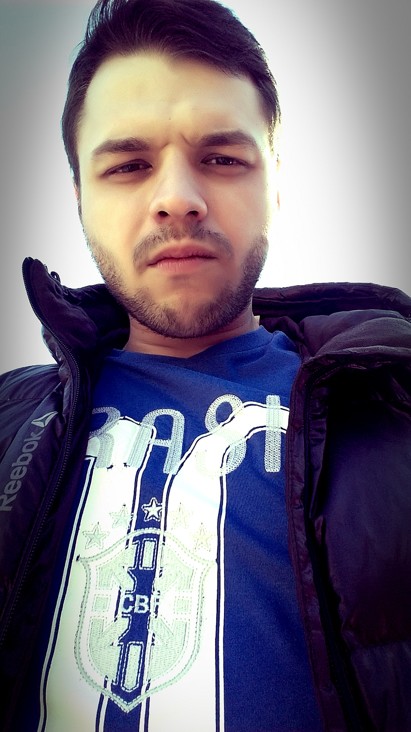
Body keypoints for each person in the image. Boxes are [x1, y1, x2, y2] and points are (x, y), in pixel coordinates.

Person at [0, 0, 410, 729]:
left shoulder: (395, 407)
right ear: (80, 198)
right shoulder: (6, 423)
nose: (178, 200)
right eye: (128, 165)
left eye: (221, 159)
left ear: (274, 184)